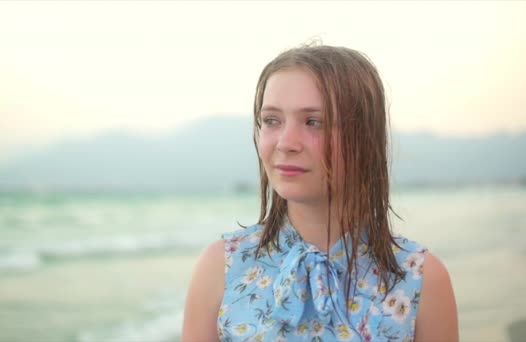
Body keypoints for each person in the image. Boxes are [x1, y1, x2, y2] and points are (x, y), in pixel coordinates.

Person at [182, 44, 458, 341]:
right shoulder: (221, 267)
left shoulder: (421, 279)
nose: (286, 143)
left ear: (364, 139)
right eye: (272, 120)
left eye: (314, 122)